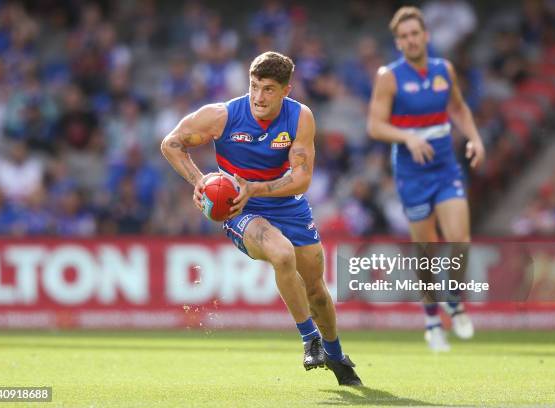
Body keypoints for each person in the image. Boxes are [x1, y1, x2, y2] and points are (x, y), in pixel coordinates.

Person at [161, 51, 362, 385]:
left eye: (268, 89)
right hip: (242, 210)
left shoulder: (300, 117)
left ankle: (335, 353)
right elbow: (171, 143)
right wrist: (200, 182)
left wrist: (255, 188)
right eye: (254, 86)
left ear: (286, 90)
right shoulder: (221, 116)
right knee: (281, 255)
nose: (258, 96)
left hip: (287, 205)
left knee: (316, 291)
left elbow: (302, 179)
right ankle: (309, 339)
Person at [367, 7, 485, 351]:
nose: (410, 40)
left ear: (426, 36)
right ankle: (432, 317)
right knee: (427, 250)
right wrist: (408, 137)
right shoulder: (389, 76)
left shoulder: (443, 70)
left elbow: (459, 108)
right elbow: (375, 126)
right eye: (403, 36)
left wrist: (475, 138)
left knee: (460, 239)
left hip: (445, 167)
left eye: (414, 33)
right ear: (398, 42)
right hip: (411, 174)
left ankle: (452, 297)